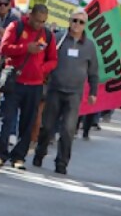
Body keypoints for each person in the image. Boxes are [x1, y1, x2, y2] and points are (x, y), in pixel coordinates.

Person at [0, 4, 58, 169]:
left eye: (42, 22)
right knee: (6, 119)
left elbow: (53, 60)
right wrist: (25, 48)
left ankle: (18, 157)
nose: (39, 25)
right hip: (14, 82)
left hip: (34, 85)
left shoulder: (47, 35)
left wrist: (41, 70)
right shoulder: (16, 26)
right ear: (30, 16)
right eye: (36, 21)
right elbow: (4, 48)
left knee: (28, 123)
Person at [33, 11, 98, 175]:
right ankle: (39, 153)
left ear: (85, 25)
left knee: (68, 130)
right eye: (74, 20)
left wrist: (93, 92)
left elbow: (93, 72)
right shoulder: (59, 38)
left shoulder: (89, 46)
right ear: (69, 21)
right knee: (47, 127)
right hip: (55, 89)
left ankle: (62, 163)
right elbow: (45, 57)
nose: (77, 24)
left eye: (81, 22)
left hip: (74, 93)